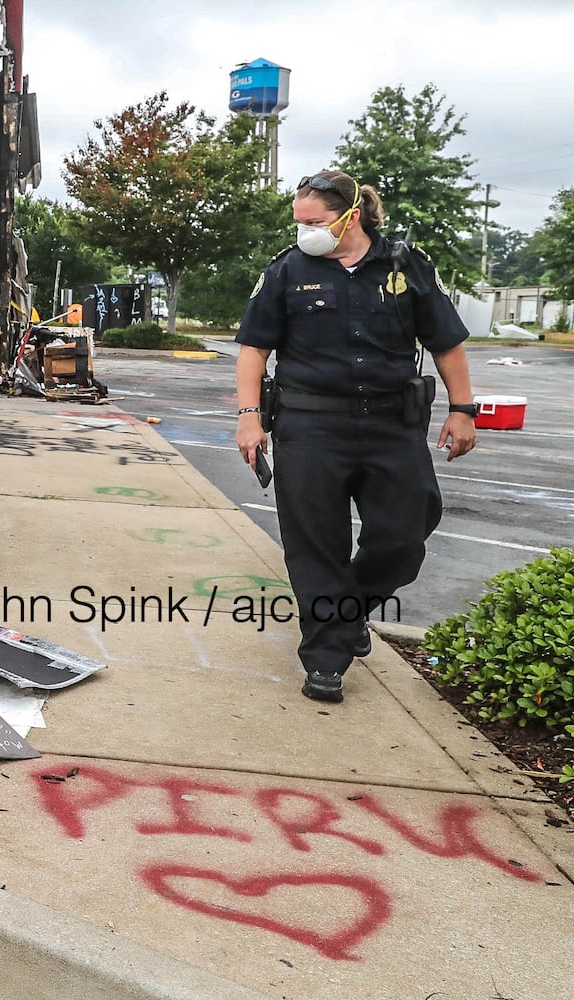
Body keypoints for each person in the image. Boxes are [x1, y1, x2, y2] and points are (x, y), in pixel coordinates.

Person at [235, 168, 478, 705]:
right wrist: (249, 415)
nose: (304, 232)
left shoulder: (406, 266)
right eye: (298, 222)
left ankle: (346, 612)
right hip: (309, 426)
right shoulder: (287, 270)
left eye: (315, 221)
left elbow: (447, 345)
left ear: (350, 214)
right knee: (315, 545)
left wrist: (465, 410)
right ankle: (326, 658)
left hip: (392, 426)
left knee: (404, 536)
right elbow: (254, 349)